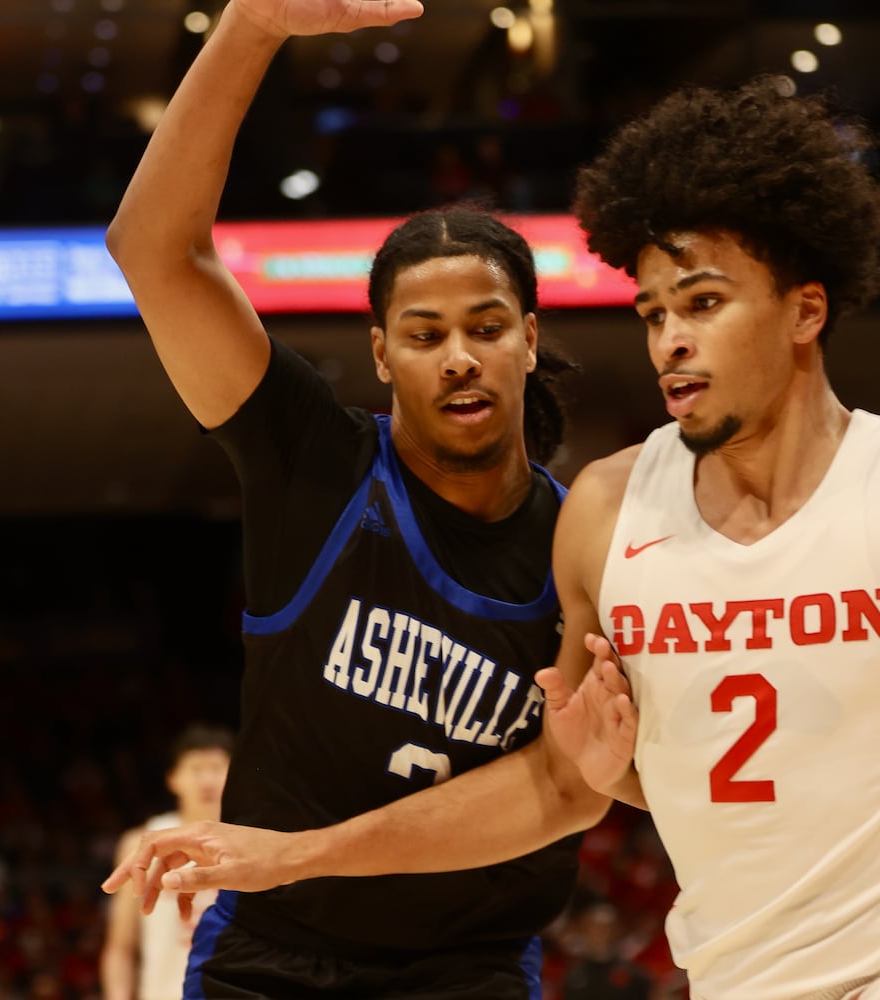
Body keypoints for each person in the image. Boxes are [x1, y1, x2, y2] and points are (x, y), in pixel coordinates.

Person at [109, 72, 880, 999]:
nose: (669, 341)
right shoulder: (604, 513)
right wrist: (596, 770)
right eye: (652, 311)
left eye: (702, 304)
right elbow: (584, 780)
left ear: (805, 308)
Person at [99, 0, 606, 994]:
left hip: (467, 964)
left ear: (530, 339)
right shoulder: (314, 464)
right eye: (423, 333)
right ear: (381, 354)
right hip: (271, 956)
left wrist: (306, 848)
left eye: (487, 326)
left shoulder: (584, 538)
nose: (458, 358)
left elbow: (563, 787)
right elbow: (154, 249)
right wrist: (250, 27)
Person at [101, 724, 233, 1000]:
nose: (207, 780)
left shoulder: (252, 842)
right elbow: (121, 946)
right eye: (196, 769)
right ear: (173, 778)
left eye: (217, 768)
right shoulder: (142, 842)